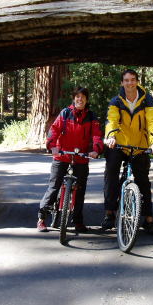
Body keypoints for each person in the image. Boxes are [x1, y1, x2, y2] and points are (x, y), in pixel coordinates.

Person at [102, 69, 153, 235]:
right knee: (111, 174)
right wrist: (111, 137)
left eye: (133, 80)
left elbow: (152, 123)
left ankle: (148, 219)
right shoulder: (116, 101)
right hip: (119, 145)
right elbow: (111, 121)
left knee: (143, 181)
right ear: (122, 83)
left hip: (139, 146)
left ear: (137, 81)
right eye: (126, 80)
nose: (130, 83)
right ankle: (109, 213)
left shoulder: (147, 100)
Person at [37, 87, 103, 233]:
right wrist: (52, 145)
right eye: (77, 97)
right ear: (74, 99)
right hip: (62, 155)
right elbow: (54, 129)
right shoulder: (65, 113)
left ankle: (78, 221)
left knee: (79, 191)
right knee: (54, 187)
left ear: (87, 99)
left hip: (81, 158)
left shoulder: (91, 116)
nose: (80, 99)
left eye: (83, 97)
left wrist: (96, 150)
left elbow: (97, 135)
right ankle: (42, 219)